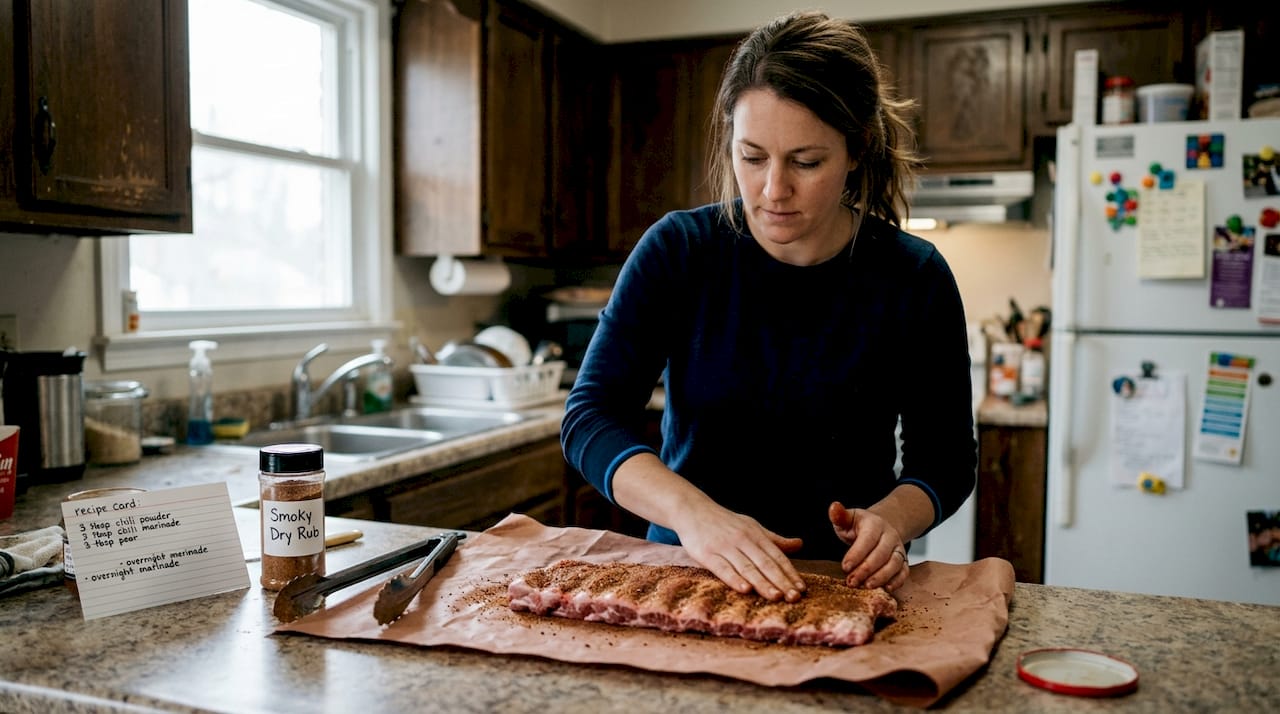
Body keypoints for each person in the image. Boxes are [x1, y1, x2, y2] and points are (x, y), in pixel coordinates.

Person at [561, 10, 976, 604]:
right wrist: (695, 515)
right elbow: (591, 417)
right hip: (686, 572)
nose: (773, 189)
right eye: (752, 157)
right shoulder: (679, 251)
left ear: (856, 149)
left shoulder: (914, 277)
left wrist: (892, 521)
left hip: (842, 586)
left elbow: (947, 461)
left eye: (807, 162)